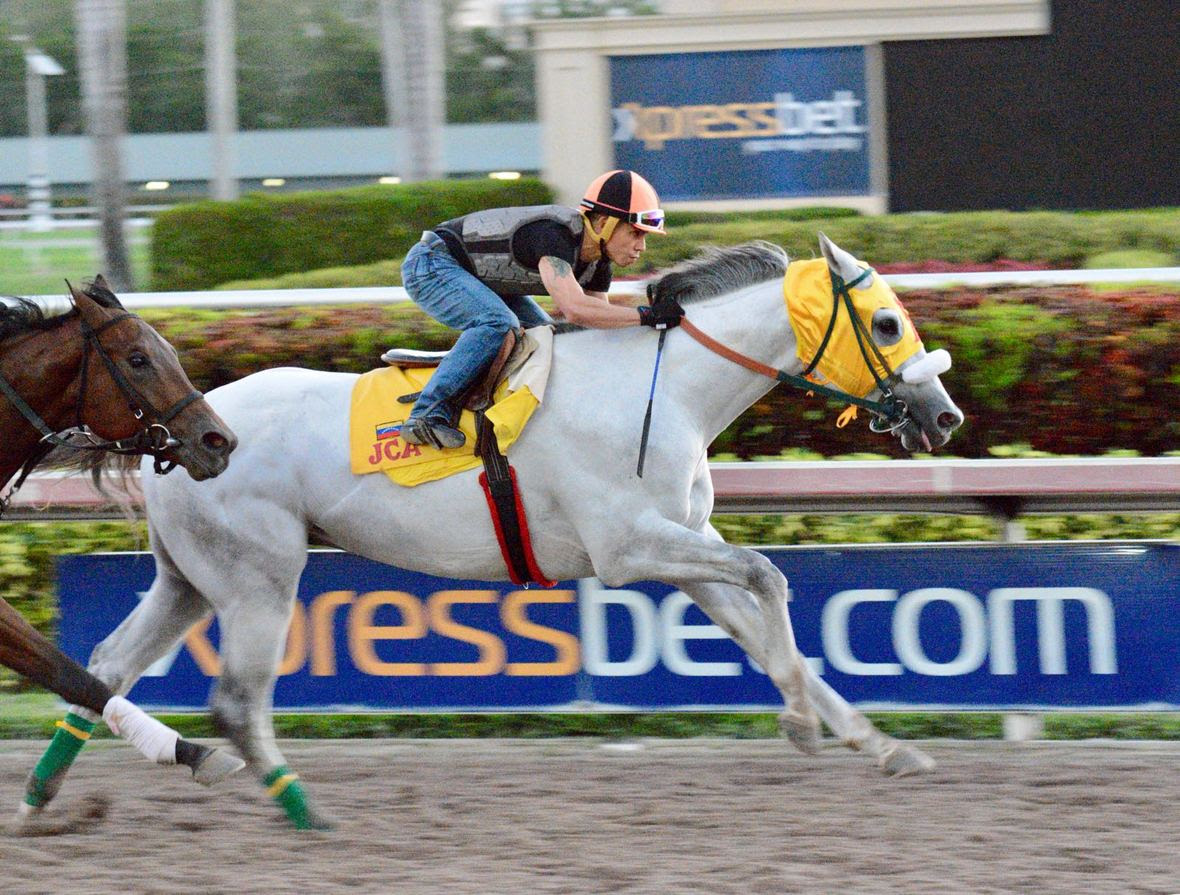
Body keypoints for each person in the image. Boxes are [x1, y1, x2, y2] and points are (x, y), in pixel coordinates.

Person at [398, 169, 685, 449]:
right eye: (636, 233)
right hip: (432, 263)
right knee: (498, 322)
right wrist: (647, 316)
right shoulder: (555, 235)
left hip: (475, 277)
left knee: (547, 336)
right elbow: (575, 309)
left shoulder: (598, 262)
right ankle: (426, 414)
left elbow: (596, 325)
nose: (642, 246)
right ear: (601, 223)